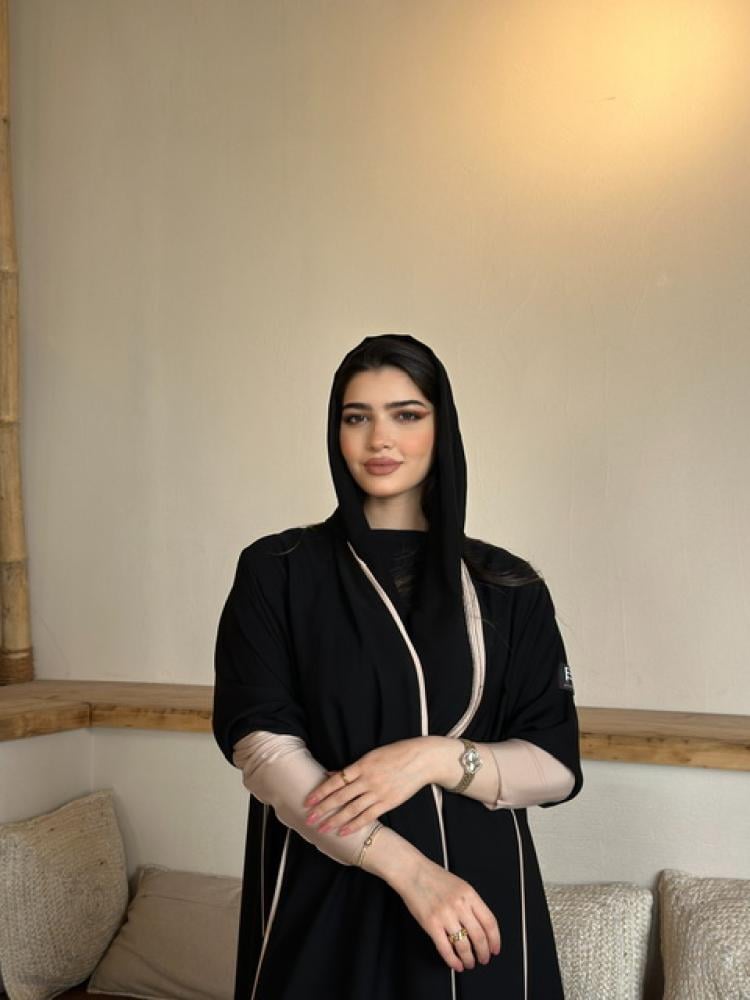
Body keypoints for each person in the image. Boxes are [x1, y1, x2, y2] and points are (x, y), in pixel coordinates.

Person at [212, 334, 583, 1000]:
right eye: (357, 417)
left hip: (477, 909)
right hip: (326, 895)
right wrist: (411, 873)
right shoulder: (278, 571)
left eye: (406, 414)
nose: (379, 438)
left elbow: (554, 767)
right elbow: (262, 749)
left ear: (443, 428)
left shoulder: (509, 586)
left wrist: (431, 759)